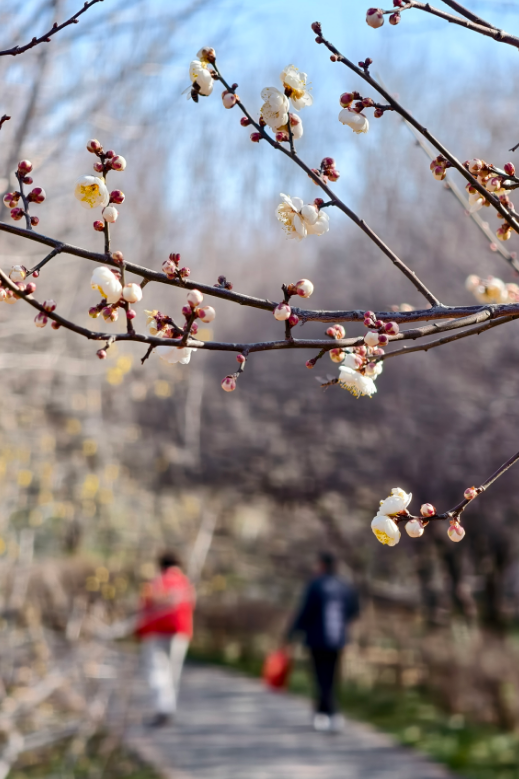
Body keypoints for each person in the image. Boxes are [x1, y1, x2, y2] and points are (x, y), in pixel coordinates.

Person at [286, 551, 359, 732]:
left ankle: (325, 713)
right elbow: (354, 610)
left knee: (320, 676)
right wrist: (342, 625)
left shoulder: (316, 585)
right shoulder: (345, 586)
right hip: (337, 639)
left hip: (317, 639)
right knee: (332, 676)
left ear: (322, 565)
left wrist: (291, 634)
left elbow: (305, 612)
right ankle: (330, 713)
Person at [135, 551, 195, 727]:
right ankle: (169, 706)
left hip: (156, 632)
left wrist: (140, 632)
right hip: (180, 633)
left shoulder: (155, 583)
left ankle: (164, 708)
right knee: (173, 670)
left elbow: (144, 608)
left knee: (157, 670)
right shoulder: (186, 583)